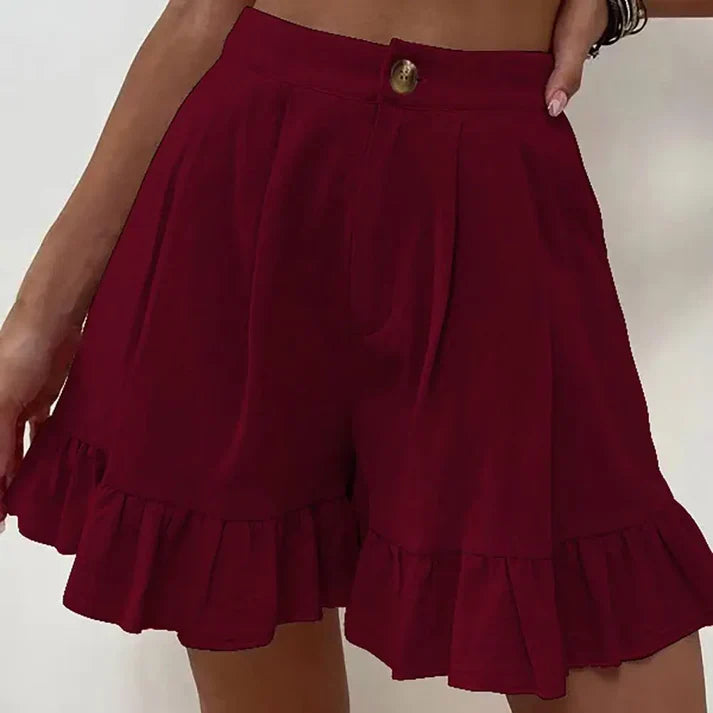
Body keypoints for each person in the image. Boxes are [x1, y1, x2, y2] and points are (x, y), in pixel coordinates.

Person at [1, 0, 711, 711]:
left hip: (498, 195)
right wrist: (36, 324)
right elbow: (203, 11)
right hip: (250, 185)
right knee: (243, 596)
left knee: (608, 611)